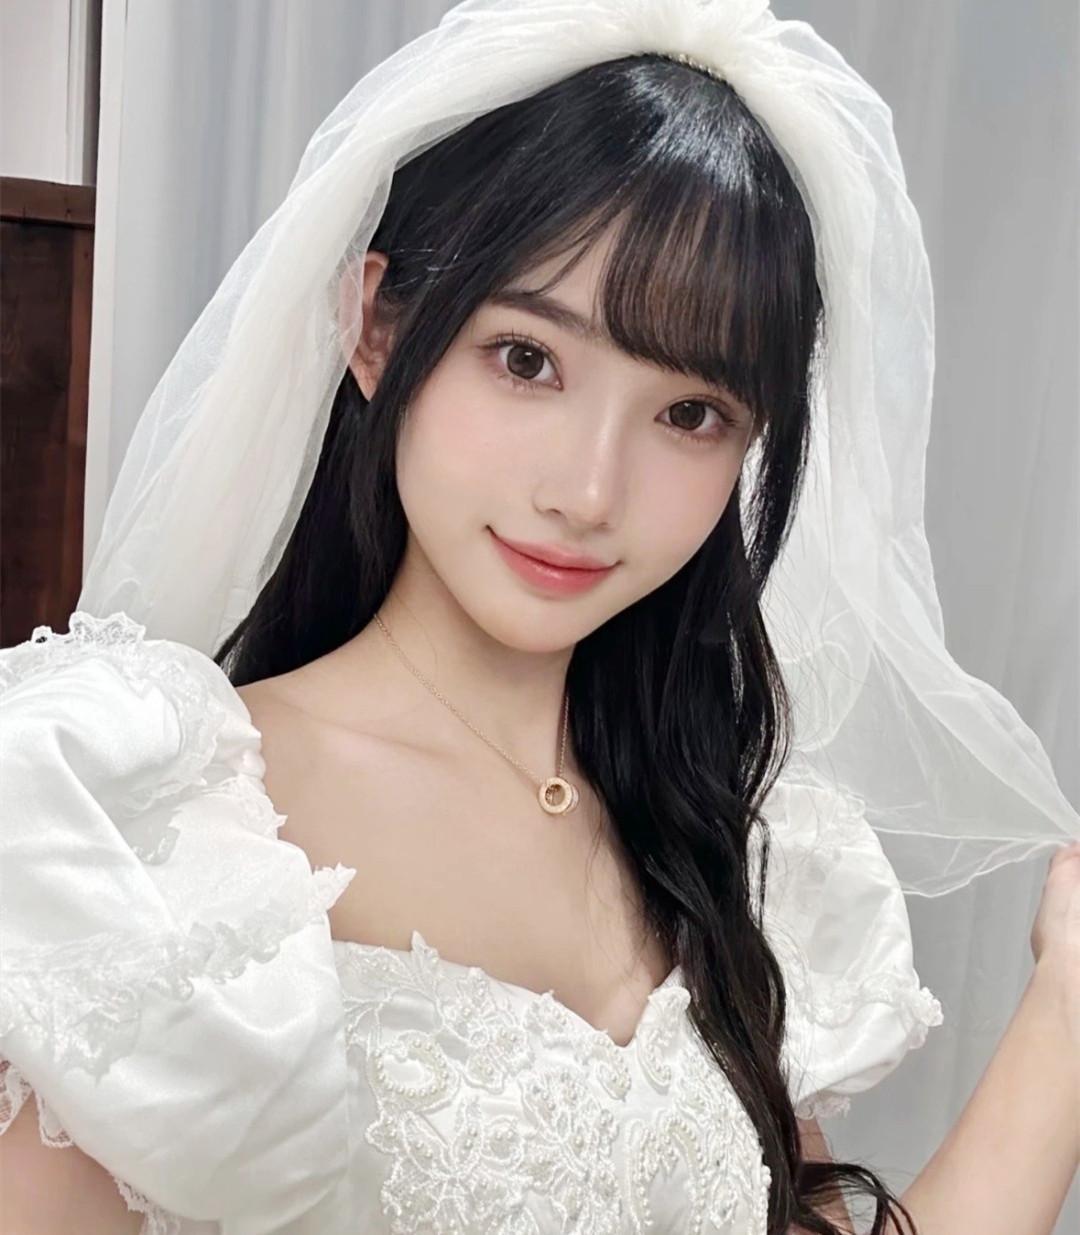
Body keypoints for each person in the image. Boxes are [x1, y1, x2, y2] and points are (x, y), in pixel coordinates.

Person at [2, 2, 1077, 1233]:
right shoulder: (145, 823)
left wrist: (1065, 1009)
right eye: (527, 359)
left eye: (689, 414)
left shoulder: (727, 845)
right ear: (378, 325)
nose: (588, 491)